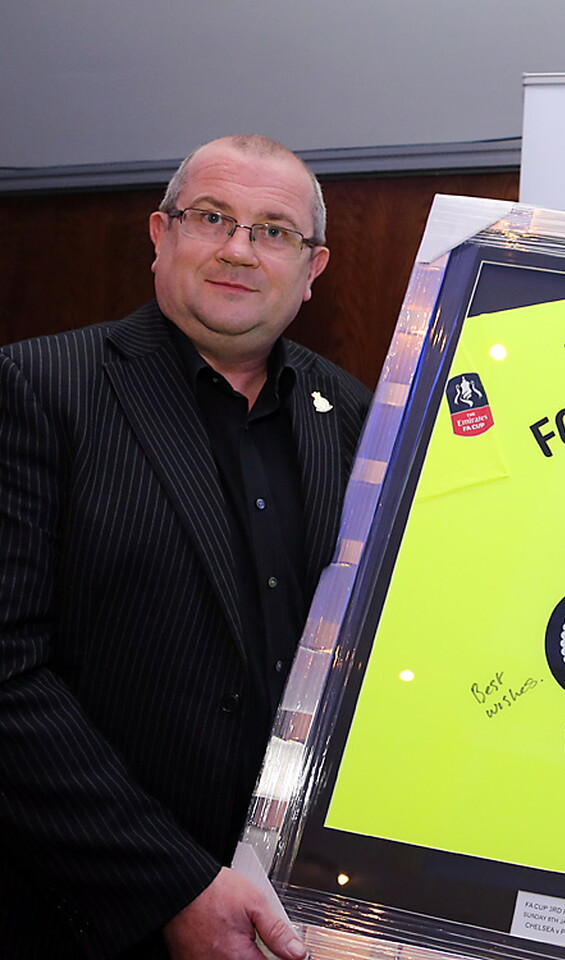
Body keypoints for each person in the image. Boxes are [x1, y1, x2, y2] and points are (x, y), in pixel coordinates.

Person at [0, 135, 371, 958]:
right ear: (160, 234)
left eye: (274, 231)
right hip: (92, 916)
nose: (239, 249)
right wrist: (173, 886)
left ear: (312, 268)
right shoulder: (36, 389)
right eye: (212, 218)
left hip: (301, 912)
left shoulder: (356, 417)